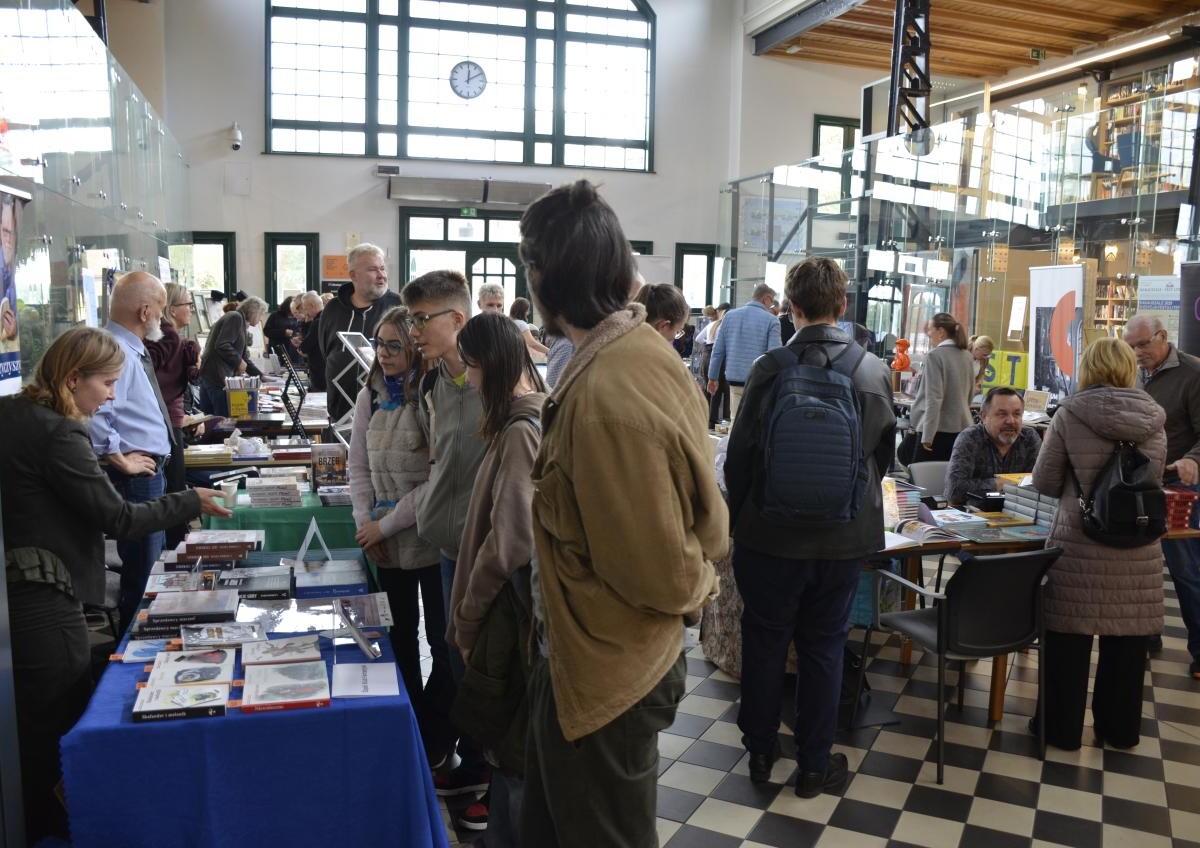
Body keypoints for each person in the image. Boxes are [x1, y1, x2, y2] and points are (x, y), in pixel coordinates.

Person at [518, 180, 725, 846]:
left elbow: (660, 568)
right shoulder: (628, 355)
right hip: (592, 659)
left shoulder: (609, 390)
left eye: (529, 262)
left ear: (548, 274)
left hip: (610, 672)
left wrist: (698, 589)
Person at [1, 327, 229, 841]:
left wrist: (105, 461)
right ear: (73, 377)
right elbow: (118, 519)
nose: (110, 395)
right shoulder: (61, 432)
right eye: (106, 383)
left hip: (23, 589)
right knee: (53, 727)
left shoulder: (16, 414)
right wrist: (190, 500)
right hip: (46, 595)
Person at [725, 256, 895, 797]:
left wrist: (744, 519)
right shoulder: (871, 371)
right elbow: (881, 461)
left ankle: (759, 752)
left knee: (765, 640)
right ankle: (816, 763)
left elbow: (740, 457)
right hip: (842, 540)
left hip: (768, 538)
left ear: (791, 308)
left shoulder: (769, 368)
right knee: (825, 646)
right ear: (842, 305)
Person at [1032, 337, 1166, 749]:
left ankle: (1059, 731)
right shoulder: (1154, 419)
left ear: (1088, 368)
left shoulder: (1070, 414)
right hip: (1139, 547)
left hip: (1080, 544)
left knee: (1068, 642)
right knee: (1127, 643)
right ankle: (1119, 730)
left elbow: (1046, 481)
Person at [447, 312, 548, 844]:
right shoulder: (525, 419)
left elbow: (509, 541)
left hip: (507, 616)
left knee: (510, 756)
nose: (466, 378)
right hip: (509, 612)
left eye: (470, 366)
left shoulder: (520, 431)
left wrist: (467, 618)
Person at [401, 269, 492, 828]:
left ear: (457, 319)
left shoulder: (503, 385)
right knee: (455, 661)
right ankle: (473, 764)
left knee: (486, 667)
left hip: (486, 552)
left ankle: (489, 773)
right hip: (447, 545)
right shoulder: (436, 383)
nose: (414, 331)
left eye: (421, 319)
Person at [346, 305, 453, 768]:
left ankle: (436, 729)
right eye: (380, 344)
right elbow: (357, 465)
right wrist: (365, 522)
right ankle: (408, 724)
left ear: (414, 348)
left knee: (443, 643)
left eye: (395, 345)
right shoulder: (370, 394)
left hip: (428, 536)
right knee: (399, 635)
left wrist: (385, 524)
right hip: (384, 540)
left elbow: (437, 477)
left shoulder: (431, 396)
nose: (384, 354)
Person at [88, 272, 178, 627]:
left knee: (149, 564)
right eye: (160, 308)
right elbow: (96, 415)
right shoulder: (115, 351)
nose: (164, 316)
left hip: (149, 469)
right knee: (143, 569)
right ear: (144, 312)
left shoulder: (129, 348)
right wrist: (120, 460)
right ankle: (131, 647)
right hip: (137, 474)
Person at [1124, 314, 1200, 676]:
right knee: (1142, 564)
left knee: (1184, 567)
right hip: (1137, 481)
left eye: (1143, 345)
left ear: (1162, 337)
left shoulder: (1192, 373)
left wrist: (1191, 459)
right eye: (1132, 347)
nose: (1138, 353)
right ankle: (1145, 633)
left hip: (1179, 482)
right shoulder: (1132, 372)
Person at [145, 281, 201, 547]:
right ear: (172, 308)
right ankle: (176, 548)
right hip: (166, 420)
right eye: (187, 304)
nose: (191, 309)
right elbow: (151, 375)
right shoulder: (168, 335)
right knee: (174, 486)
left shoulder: (164, 334)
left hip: (168, 416)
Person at [319, 243, 403, 421]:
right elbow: (325, 353)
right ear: (353, 275)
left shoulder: (398, 308)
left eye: (382, 268)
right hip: (339, 414)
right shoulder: (333, 309)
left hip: (385, 415)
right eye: (373, 269)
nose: (381, 275)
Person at [943, 386, 1041, 506]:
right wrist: (999, 483)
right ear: (983, 417)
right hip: (975, 516)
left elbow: (1040, 485)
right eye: (1002, 414)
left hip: (1019, 513)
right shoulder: (970, 438)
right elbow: (954, 492)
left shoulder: (1029, 438)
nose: (1010, 421)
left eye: (1016, 414)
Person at [899, 312, 974, 465]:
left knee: (922, 479)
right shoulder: (966, 355)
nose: (928, 333)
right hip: (961, 427)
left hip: (935, 430)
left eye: (931, 329)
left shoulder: (935, 356)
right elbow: (970, 393)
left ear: (941, 332)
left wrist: (927, 436)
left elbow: (934, 398)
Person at [707, 283, 781, 420]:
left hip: (734, 381)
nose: (770, 306)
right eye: (771, 302)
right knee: (756, 426)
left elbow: (718, 351)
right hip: (759, 382)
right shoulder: (772, 321)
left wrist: (712, 377)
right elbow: (773, 355)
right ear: (766, 298)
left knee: (735, 422)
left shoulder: (729, 316)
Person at [197, 296, 267, 418]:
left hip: (214, 376)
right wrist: (238, 361)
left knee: (214, 420)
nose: (261, 318)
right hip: (216, 377)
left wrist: (261, 376)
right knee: (220, 422)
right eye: (261, 314)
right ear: (254, 311)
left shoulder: (240, 321)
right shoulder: (235, 317)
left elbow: (244, 356)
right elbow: (222, 345)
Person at [295, 290, 327, 390]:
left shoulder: (317, 322)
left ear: (312, 305)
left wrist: (305, 323)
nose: (305, 312)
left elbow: (304, 347)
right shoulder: (328, 318)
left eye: (305, 309)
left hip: (319, 369)